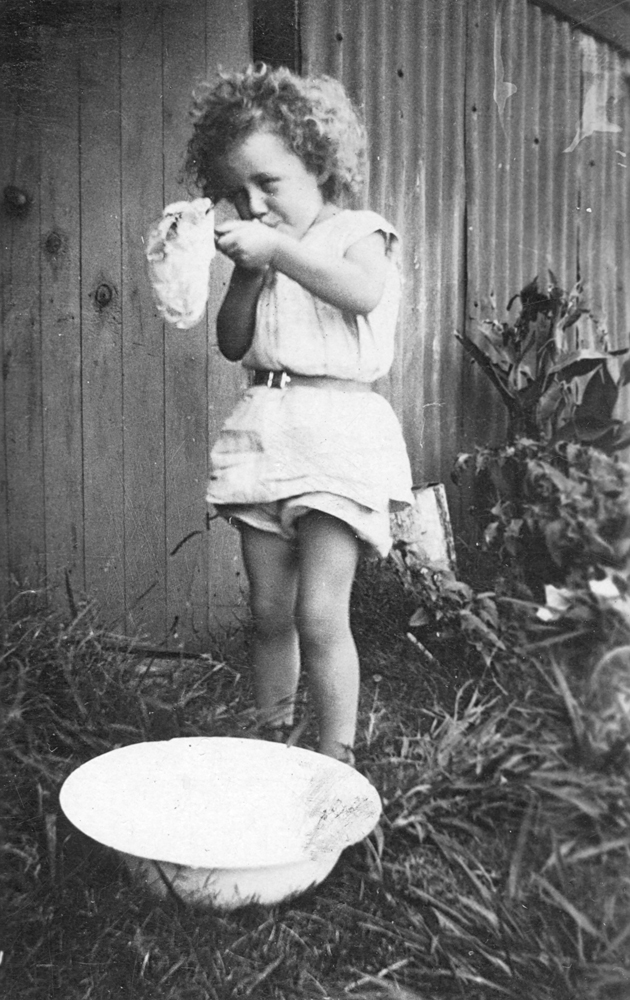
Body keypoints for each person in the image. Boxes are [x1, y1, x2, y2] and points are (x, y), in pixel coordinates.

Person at [185, 63, 413, 763]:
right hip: (267, 430)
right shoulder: (259, 252)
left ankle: (336, 757)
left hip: (338, 436)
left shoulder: (356, 232)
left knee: (320, 612)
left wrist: (280, 250)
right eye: (235, 192)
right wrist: (249, 274)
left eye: (268, 184)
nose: (252, 205)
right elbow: (232, 344)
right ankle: (271, 744)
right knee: (267, 612)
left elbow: (362, 293)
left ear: (318, 163)